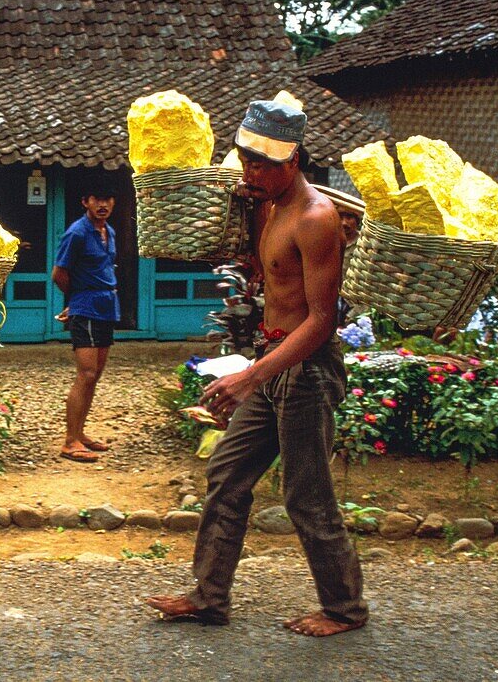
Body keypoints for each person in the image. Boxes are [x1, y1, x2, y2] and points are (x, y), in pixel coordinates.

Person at [146, 100, 368, 636]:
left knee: (306, 495)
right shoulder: (263, 204)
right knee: (226, 473)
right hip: (273, 363)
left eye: (264, 164)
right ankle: (209, 597)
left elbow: (321, 322)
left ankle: (344, 609)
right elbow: (264, 275)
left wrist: (252, 375)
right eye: (247, 160)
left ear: (293, 160)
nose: (252, 172)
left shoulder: (316, 219)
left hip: (305, 369)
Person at [51, 189, 120, 463]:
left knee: (96, 373)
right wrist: (75, 300)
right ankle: (70, 442)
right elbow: (59, 273)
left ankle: (80, 434)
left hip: (106, 306)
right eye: (96, 199)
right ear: (85, 202)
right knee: (86, 373)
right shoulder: (76, 233)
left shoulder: (109, 232)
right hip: (86, 307)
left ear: (112, 201)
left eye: (106, 198)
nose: (102, 204)